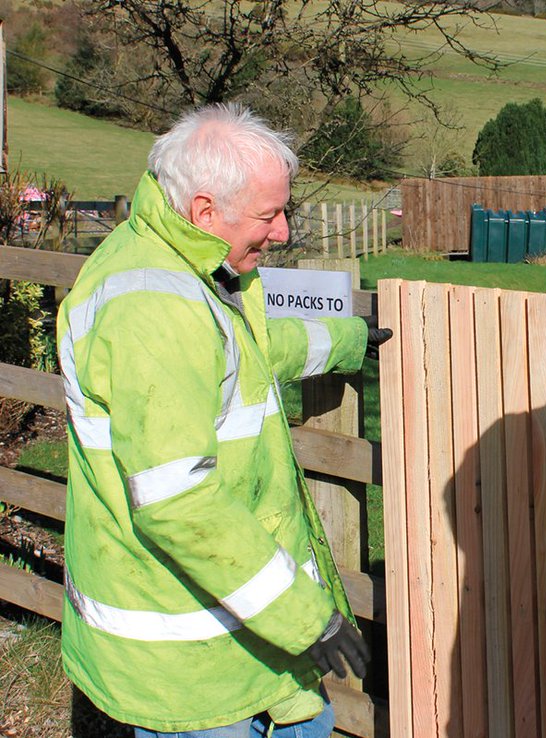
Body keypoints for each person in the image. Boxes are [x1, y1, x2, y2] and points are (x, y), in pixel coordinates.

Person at [57, 104, 391, 737]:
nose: (285, 231)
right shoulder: (150, 308)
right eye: (269, 215)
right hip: (188, 667)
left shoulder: (193, 264)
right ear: (205, 210)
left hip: (239, 634)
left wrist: (347, 340)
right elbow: (179, 502)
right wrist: (305, 618)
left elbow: (245, 351)